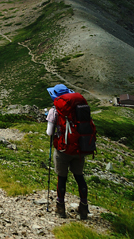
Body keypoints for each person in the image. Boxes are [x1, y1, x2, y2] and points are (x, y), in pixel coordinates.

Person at [46, 84, 89, 220]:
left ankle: (60, 208)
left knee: (62, 177)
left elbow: (49, 133)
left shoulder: (54, 111)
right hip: (80, 149)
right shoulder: (80, 108)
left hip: (63, 150)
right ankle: (83, 207)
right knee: (79, 176)